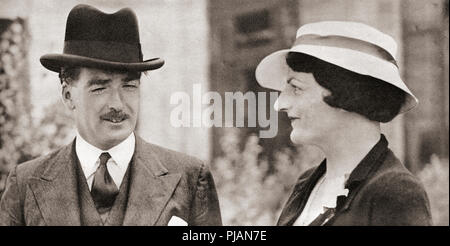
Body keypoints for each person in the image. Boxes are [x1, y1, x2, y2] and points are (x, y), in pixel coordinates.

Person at [0, 4, 221, 226]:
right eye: (100, 88)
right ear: (68, 96)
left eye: (129, 86)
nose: (117, 103)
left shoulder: (190, 178)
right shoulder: (25, 184)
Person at [255, 21, 432, 226]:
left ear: (345, 94)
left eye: (296, 88)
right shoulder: (307, 183)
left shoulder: (395, 193)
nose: (280, 104)